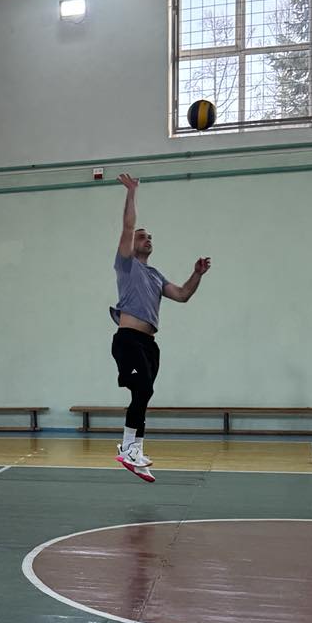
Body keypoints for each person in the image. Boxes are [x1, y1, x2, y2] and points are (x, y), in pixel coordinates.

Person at [111, 174, 210, 482]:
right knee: (142, 388)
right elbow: (127, 226)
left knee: (145, 393)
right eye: (142, 237)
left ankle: (135, 450)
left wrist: (197, 274)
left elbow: (182, 295)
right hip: (128, 339)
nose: (147, 239)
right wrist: (132, 192)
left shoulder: (155, 275)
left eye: (150, 236)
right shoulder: (126, 265)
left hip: (149, 344)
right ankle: (128, 447)